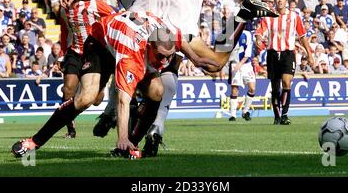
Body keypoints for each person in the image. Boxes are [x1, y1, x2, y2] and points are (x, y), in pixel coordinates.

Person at [61, 0, 277, 155]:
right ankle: (243, 14)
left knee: (132, 63)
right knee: (210, 63)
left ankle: (115, 115)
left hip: (148, 5)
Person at [11, 10, 209, 158]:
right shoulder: (131, 55)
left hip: (125, 35)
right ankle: (34, 141)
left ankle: (131, 144)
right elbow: (123, 100)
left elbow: (180, 39)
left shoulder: (168, 33)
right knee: (86, 99)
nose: (164, 63)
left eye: (169, 57)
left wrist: (196, 59)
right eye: (160, 57)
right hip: (99, 45)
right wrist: (120, 136)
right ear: (149, 46)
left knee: (158, 91)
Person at [59, 0, 116, 138]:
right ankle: (70, 128)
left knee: (96, 99)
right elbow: (64, 32)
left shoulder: (95, 4)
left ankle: (101, 89)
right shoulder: (63, 7)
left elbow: (114, 17)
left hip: (95, 53)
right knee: (68, 88)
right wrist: (61, 56)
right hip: (75, 51)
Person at [255, 0, 314, 125]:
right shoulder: (268, 17)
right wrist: (258, 39)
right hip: (273, 54)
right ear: (274, 1)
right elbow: (259, 32)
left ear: (286, 1)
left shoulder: (294, 17)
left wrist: (309, 54)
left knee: (287, 82)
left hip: (288, 54)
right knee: (275, 87)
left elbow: (302, 36)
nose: (280, 1)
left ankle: (285, 115)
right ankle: (277, 115)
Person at [228, 28, 256, 121]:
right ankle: (233, 115)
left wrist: (240, 64)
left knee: (252, 88)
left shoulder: (247, 34)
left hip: (246, 64)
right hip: (234, 64)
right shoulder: (229, 34)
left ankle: (245, 111)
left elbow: (248, 52)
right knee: (234, 90)